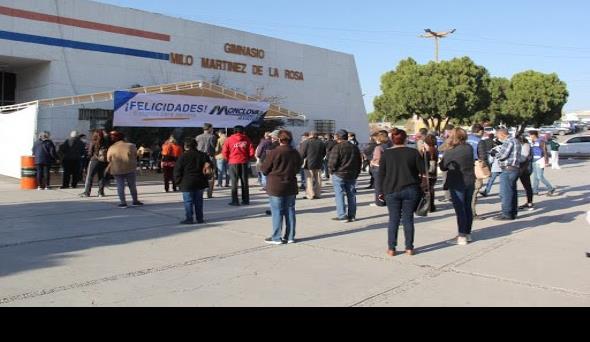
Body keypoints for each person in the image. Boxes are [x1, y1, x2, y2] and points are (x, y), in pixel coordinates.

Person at [379, 129, 425, 256]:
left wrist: (380, 191)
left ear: (392, 139)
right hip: (411, 188)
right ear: (405, 139)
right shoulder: (413, 152)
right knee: (408, 219)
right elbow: (422, 170)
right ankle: (409, 247)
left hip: (391, 189)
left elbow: (381, 175)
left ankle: (391, 248)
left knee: (393, 219)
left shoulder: (386, 154)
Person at [261, 130, 302, 244]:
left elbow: (264, 169)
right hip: (290, 184)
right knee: (290, 210)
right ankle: (290, 236)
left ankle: (276, 237)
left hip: (276, 185)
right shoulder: (295, 153)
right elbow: (298, 168)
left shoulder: (274, 152)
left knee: (277, 211)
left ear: (279, 140)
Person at [440, 128, 476, 245]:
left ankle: (461, 236)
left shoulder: (451, 151)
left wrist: (446, 148)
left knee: (460, 209)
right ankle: (467, 233)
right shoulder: (468, 147)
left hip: (457, 181)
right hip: (469, 179)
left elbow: (443, 167)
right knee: (467, 207)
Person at [174, 138, 212, 225]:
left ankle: (189, 218)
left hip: (187, 182)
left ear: (185, 146)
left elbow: (177, 171)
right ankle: (200, 218)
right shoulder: (203, 155)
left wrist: (178, 182)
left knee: (188, 201)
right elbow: (209, 166)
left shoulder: (182, 156)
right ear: (196, 145)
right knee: (199, 201)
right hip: (200, 181)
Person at [329, 129, 362, 222]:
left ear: (337, 137)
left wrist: (331, 171)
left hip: (339, 174)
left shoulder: (337, 147)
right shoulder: (354, 147)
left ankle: (342, 215)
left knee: (339, 194)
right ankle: (352, 215)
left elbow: (332, 162)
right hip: (352, 174)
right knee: (351, 195)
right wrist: (357, 173)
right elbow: (359, 161)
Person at [106, 131, 143, 208]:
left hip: (117, 169)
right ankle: (135, 201)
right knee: (132, 185)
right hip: (130, 168)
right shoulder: (131, 146)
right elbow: (136, 155)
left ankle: (123, 202)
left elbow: (108, 159)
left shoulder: (112, 147)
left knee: (120, 186)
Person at [492, 128, 521, 221]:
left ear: (502, 134)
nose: (498, 138)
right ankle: (513, 211)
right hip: (515, 169)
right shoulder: (516, 141)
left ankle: (506, 213)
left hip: (508, 169)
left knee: (505, 193)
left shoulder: (508, 142)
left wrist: (494, 153)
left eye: (498, 136)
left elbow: (502, 155)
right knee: (512, 191)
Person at [222, 125, 255, 206]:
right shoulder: (247, 139)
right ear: (243, 131)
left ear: (234, 131)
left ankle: (235, 201)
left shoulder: (229, 139)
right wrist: (248, 158)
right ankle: (246, 200)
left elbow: (224, 151)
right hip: (244, 162)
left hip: (233, 162)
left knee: (234, 182)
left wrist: (228, 159)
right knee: (244, 182)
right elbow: (252, 152)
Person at [80, 130, 109, 198]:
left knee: (89, 176)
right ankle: (101, 193)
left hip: (94, 161)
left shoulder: (93, 142)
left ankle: (87, 192)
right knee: (101, 177)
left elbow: (90, 153)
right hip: (104, 162)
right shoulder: (106, 142)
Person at [467, 124, 487, 220]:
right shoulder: (480, 141)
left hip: (465, 167)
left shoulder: (465, 139)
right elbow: (483, 157)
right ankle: (472, 213)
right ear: (480, 131)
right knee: (475, 190)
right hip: (476, 167)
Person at [300, 131, 327, 200]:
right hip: (319, 163)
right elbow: (324, 153)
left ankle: (310, 195)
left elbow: (302, 154)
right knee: (318, 179)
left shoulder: (306, 142)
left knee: (309, 180)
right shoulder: (321, 142)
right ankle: (318, 194)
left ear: (310, 135)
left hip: (309, 163)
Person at [530, 131, 556, 196]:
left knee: (540, 176)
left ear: (534, 135)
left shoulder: (541, 141)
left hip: (540, 160)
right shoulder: (533, 142)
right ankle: (535, 191)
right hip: (533, 160)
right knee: (535, 177)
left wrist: (546, 161)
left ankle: (551, 188)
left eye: (531, 135)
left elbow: (545, 151)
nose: (530, 136)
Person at [196, 123, 218, 199]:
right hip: (209, 158)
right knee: (211, 176)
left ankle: (200, 194)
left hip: (199, 158)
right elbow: (214, 147)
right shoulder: (212, 137)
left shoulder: (198, 137)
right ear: (209, 129)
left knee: (200, 175)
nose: (213, 129)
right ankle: (209, 194)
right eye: (212, 128)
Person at [370, 131, 391, 207]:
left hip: (378, 168)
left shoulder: (378, 148)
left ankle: (379, 202)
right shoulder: (389, 146)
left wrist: (372, 162)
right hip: (388, 167)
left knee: (378, 186)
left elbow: (377, 159)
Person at [517, 135, 535, 211]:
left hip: (525, 168)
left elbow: (523, 158)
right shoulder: (524, 145)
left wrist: (515, 157)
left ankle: (529, 203)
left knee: (527, 186)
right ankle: (529, 202)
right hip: (524, 168)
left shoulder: (525, 146)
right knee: (526, 186)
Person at [424, 134, 439, 212]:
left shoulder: (425, 151)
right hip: (433, 173)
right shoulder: (435, 150)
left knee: (425, 189)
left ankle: (426, 205)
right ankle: (431, 206)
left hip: (425, 173)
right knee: (431, 189)